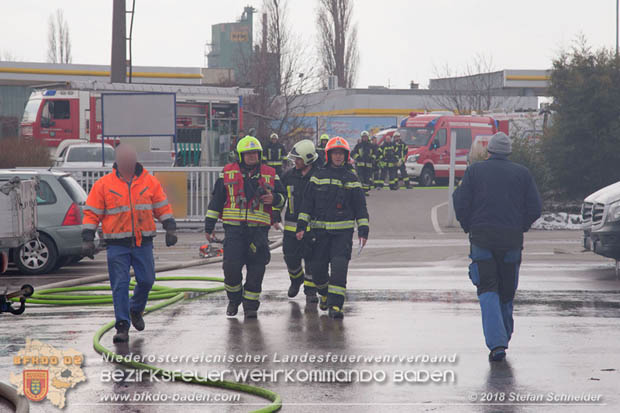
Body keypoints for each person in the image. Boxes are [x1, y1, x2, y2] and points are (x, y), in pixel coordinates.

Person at [452, 132, 542, 362]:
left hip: (482, 238)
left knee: (487, 289)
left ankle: (497, 343)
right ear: (509, 152)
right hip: (511, 240)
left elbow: (460, 200)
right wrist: (520, 226)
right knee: (506, 290)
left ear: (489, 151)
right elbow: (535, 208)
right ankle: (504, 335)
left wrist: (467, 225)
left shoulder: (474, 171)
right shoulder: (522, 173)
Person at [82, 144, 177, 343]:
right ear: (117, 161)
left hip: (143, 243)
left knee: (147, 280)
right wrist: (88, 238)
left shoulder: (150, 182)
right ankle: (122, 327)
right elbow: (92, 213)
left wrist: (170, 227)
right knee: (120, 285)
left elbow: (161, 205)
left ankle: (135, 309)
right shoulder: (104, 185)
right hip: (117, 245)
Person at [205, 135, 286, 318]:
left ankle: (250, 306)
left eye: (254, 153)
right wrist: (209, 227)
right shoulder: (227, 172)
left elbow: (282, 197)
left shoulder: (270, 173)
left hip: (259, 231)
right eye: (247, 154)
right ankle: (234, 299)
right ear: (240, 155)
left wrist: (275, 200)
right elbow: (217, 200)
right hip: (234, 230)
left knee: (257, 270)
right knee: (231, 268)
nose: (251, 156)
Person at [295, 137, 369, 319]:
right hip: (319, 234)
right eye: (335, 153)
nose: (338, 156)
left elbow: (360, 207)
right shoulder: (317, 176)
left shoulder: (351, 179)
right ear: (328, 155)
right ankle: (325, 294)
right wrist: (301, 226)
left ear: (345, 155)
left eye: (341, 153)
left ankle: (336, 306)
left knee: (339, 268)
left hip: (342, 235)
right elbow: (307, 204)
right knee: (318, 270)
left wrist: (363, 230)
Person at [275, 140, 321, 303]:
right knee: (290, 257)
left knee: (311, 259)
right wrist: (275, 215)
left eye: (298, 159)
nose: (295, 162)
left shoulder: (318, 175)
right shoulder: (288, 175)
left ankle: (310, 290)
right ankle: (296, 280)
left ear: (308, 159)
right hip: (291, 225)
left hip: (313, 226)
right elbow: (279, 197)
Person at [351, 130, 375, 195]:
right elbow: (352, 153)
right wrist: (357, 157)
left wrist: (372, 158)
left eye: (366, 137)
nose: (365, 138)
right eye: (363, 137)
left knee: (367, 179)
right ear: (362, 137)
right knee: (360, 178)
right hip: (360, 165)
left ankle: (365, 191)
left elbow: (375, 153)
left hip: (368, 165)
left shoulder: (371, 146)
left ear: (368, 137)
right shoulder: (358, 145)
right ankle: (361, 191)